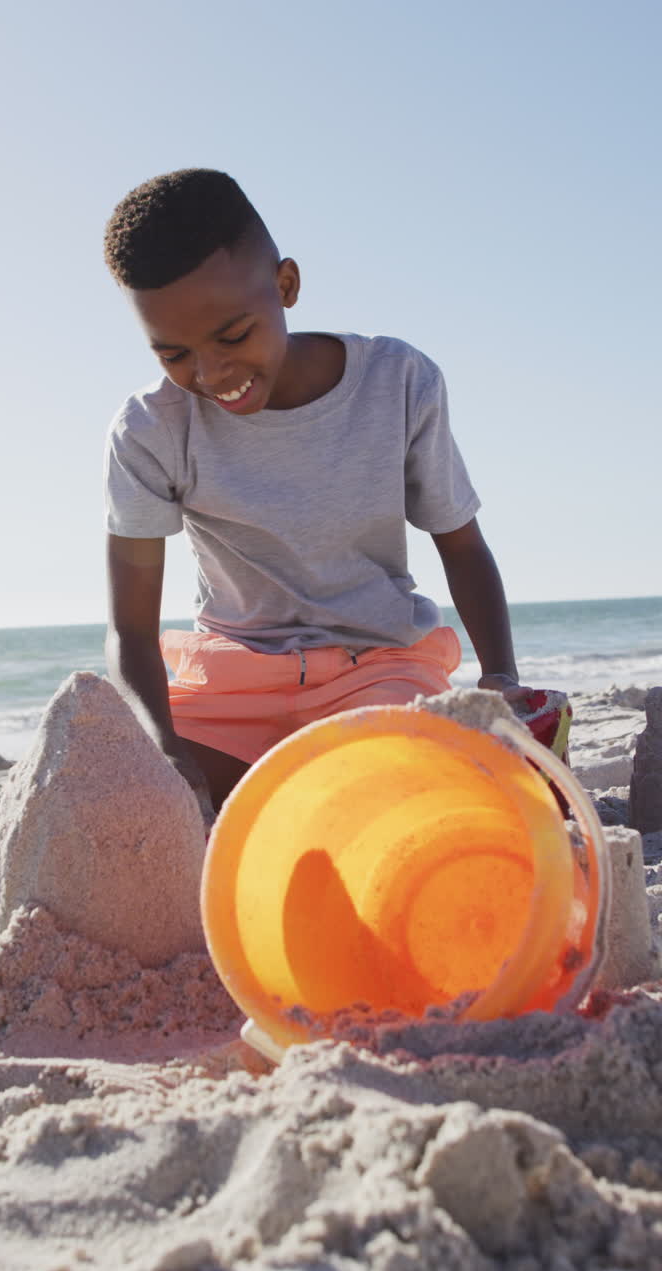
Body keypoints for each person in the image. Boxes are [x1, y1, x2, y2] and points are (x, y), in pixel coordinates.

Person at [103, 168, 531, 827]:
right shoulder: (150, 429)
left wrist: (501, 676)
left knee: (401, 798)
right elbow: (131, 630)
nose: (210, 374)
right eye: (174, 354)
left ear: (286, 287)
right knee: (112, 776)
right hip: (231, 686)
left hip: (377, 671)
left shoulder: (399, 382)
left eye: (233, 336)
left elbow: (463, 545)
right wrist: (161, 748)